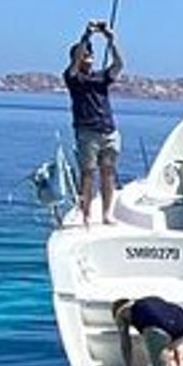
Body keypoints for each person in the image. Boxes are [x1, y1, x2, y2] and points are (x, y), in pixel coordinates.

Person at [63, 20, 124, 226]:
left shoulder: (101, 77)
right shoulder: (73, 78)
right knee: (88, 174)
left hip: (108, 131)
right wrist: (86, 36)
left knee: (108, 172)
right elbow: (76, 61)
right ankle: (86, 214)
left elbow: (118, 65)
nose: (88, 56)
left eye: (90, 53)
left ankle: (107, 214)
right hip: (87, 133)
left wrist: (110, 40)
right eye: (84, 54)